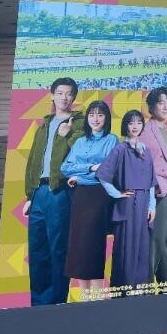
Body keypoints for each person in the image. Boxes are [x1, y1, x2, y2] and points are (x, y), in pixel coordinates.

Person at [23, 77, 84, 306]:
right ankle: (39, 305)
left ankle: (57, 305)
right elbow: (32, 160)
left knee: (58, 249)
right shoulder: (44, 124)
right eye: (60, 93)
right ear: (52, 95)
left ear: (74, 97)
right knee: (37, 250)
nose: (64, 98)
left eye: (69, 93)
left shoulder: (79, 123)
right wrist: (30, 195)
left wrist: (67, 134)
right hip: (39, 192)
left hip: (59, 192)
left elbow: (83, 153)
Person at [60, 100, 118, 300]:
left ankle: (99, 297)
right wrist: (90, 168)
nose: (95, 118)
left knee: (93, 244)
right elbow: (65, 168)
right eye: (92, 114)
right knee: (79, 244)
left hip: (99, 195)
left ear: (106, 118)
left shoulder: (111, 140)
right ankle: (85, 297)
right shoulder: (80, 141)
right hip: (80, 197)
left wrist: (80, 176)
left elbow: (108, 170)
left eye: (100, 114)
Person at [96, 110, 156, 291]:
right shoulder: (120, 149)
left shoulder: (146, 150)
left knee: (143, 249)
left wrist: (152, 206)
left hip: (144, 204)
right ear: (125, 126)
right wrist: (117, 194)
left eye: (138, 122)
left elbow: (151, 182)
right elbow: (103, 175)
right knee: (126, 250)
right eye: (131, 122)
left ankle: (141, 291)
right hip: (128, 205)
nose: (135, 126)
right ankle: (124, 292)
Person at [140, 87, 167, 283]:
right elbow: (141, 165)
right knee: (155, 242)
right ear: (151, 106)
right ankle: (144, 285)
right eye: (160, 102)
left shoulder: (163, 128)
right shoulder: (146, 131)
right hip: (157, 193)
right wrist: (159, 184)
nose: (165, 106)